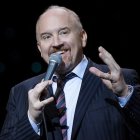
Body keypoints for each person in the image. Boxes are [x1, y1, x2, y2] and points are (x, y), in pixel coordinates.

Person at [0, 5, 140, 140]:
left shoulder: (122, 81)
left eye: (63, 32)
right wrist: (31, 119)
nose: (56, 43)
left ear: (82, 37)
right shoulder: (20, 92)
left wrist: (125, 95)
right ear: (39, 48)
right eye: (47, 37)